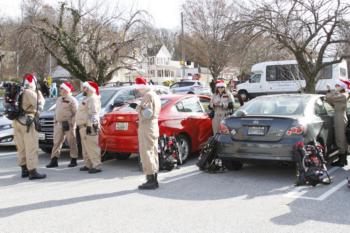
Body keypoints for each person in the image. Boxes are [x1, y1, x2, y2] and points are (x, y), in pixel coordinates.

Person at [13, 74, 46, 180]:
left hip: (16, 121)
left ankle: (24, 170)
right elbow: (39, 104)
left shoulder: (19, 90)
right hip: (27, 122)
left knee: (21, 147)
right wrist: (40, 95)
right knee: (31, 147)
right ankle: (32, 171)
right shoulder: (30, 92)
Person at [135, 76, 161, 190]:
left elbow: (147, 113)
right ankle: (153, 178)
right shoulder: (154, 94)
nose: (137, 89)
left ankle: (151, 179)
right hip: (152, 125)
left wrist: (137, 107)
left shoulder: (148, 95)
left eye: (138, 87)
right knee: (152, 151)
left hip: (147, 125)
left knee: (147, 152)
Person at [46, 82, 79, 168]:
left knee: (72, 142)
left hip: (69, 124)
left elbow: (76, 113)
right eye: (60, 88)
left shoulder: (72, 100)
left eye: (61, 88)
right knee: (56, 142)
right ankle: (54, 160)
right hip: (59, 124)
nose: (60, 90)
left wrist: (72, 123)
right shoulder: (59, 99)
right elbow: (56, 111)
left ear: (66, 90)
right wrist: (55, 121)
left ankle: (73, 159)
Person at [76, 81, 102, 173]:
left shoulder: (93, 98)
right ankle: (88, 164)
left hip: (89, 126)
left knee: (92, 146)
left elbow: (93, 113)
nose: (83, 89)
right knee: (86, 148)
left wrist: (90, 126)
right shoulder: (87, 98)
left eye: (85, 87)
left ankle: (96, 165)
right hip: (82, 126)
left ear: (90, 88)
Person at [326, 80, 349, 167]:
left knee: (340, 139)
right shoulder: (341, 95)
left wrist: (332, 91)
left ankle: (342, 160)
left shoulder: (343, 95)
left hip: (340, 117)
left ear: (342, 87)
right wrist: (330, 92)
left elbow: (329, 98)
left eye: (337, 86)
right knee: (340, 139)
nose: (336, 87)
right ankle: (343, 159)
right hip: (339, 116)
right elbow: (329, 101)